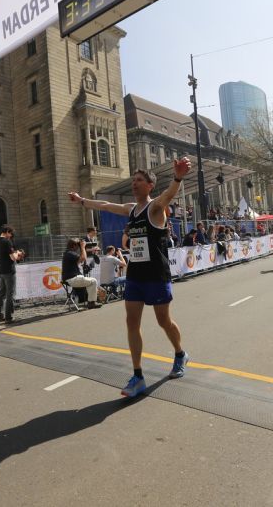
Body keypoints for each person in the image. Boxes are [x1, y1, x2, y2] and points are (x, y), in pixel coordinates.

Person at [67, 158, 192, 398]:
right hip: (135, 275)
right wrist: (82, 201)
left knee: (163, 321)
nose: (134, 184)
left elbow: (168, 195)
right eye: (133, 180)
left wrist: (178, 177)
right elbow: (105, 205)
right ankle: (137, 376)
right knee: (131, 323)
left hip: (156, 275)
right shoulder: (131, 209)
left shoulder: (155, 208)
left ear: (150, 185)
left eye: (139, 180)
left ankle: (180, 354)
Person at [0, 225, 25, 323]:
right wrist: (18, 253)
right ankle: (8, 317)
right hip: (9, 271)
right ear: (7, 231)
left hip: (0, 271)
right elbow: (13, 257)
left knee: (2, 293)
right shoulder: (7, 242)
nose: (11, 235)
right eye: (11, 233)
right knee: (10, 294)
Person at [61, 238, 102, 309]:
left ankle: (90, 301)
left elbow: (80, 260)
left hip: (70, 278)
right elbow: (83, 258)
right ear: (74, 246)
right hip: (71, 279)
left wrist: (85, 249)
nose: (78, 248)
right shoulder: (70, 253)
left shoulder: (68, 253)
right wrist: (82, 247)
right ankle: (91, 303)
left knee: (90, 282)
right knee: (93, 281)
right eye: (77, 245)